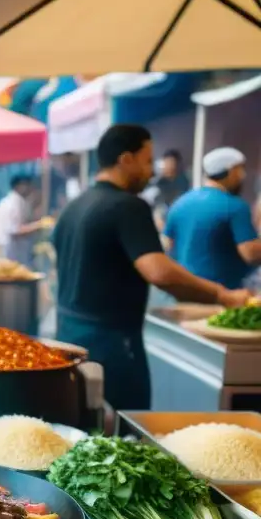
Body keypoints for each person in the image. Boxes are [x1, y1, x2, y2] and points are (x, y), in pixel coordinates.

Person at [53, 124, 252, 411]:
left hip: (70, 338)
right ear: (126, 160)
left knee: (84, 428)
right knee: (123, 435)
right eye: (147, 162)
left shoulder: (74, 207)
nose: (152, 171)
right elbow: (159, 272)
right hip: (113, 346)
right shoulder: (129, 206)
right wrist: (223, 294)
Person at [163, 147, 261, 289]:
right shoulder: (235, 206)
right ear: (231, 171)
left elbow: (168, 244)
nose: (243, 176)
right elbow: (250, 254)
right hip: (222, 294)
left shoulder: (180, 203)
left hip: (186, 290)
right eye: (240, 170)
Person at [0, 174, 46, 266]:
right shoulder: (13, 204)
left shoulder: (18, 202)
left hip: (15, 254)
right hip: (10, 254)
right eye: (28, 184)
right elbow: (15, 231)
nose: (31, 188)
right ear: (20, 186)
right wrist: (40, 225)